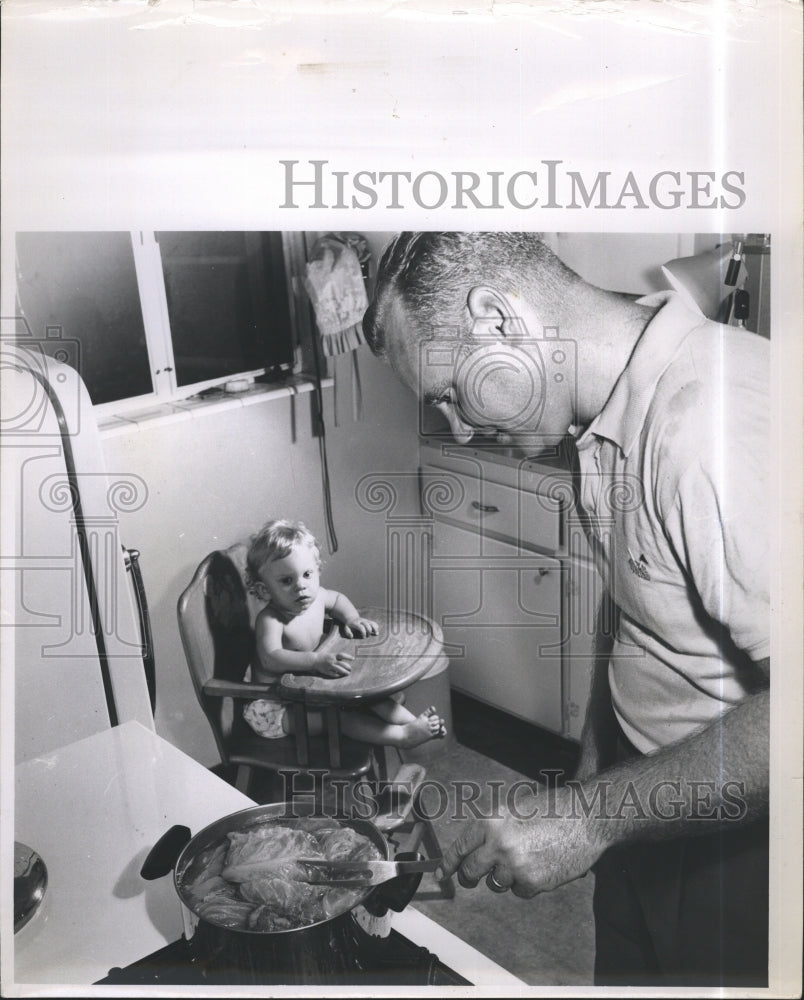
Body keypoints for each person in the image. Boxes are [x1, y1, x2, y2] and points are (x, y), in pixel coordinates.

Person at [363, 232, 770, 988]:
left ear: (497, 319)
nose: (455, 429)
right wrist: (591, 787)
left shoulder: (713, 425)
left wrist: (592, 820)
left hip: (741, 855)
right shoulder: (598, 416)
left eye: (447, 392)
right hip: (647, 815)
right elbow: (631, 612)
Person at [243, 518, 447, 749]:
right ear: (264, 589)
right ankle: (402, 737)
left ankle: (414, 724)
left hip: (306, 690)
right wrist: (315, 660)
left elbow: (337, 599)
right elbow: (271, 657)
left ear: (317, 568)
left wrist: (351, 618)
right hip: (275, 706)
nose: (301, 586)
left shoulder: (317, 597)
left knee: (367, 694)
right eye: (286, 581)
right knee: (340, 719)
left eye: (307, 574)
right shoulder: (271, 619)